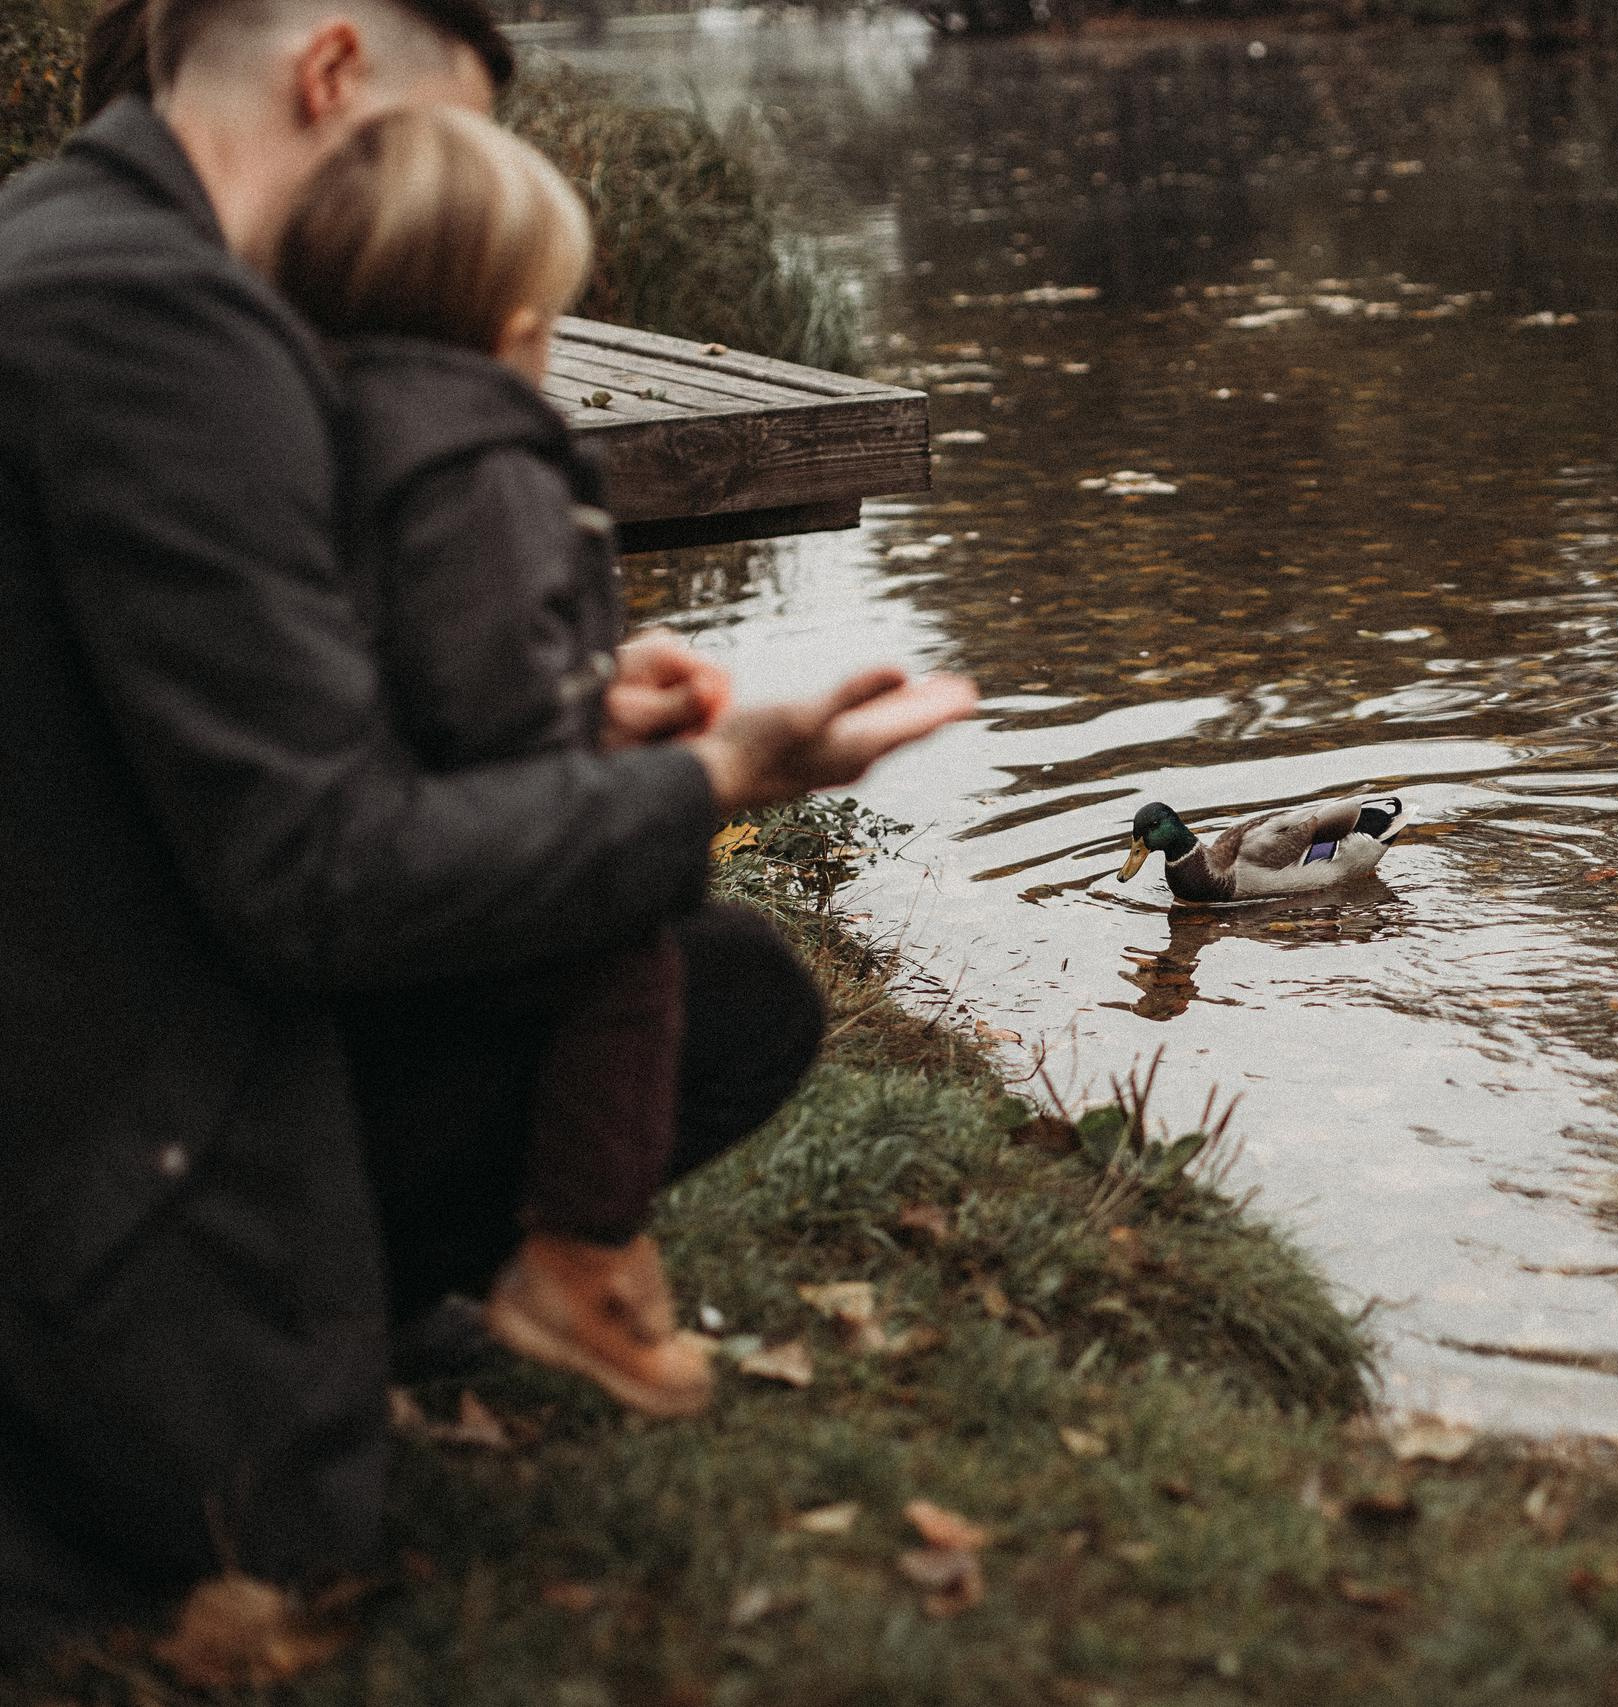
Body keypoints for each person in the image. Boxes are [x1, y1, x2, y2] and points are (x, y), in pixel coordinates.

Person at [0, 0, 974, 1646]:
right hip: (88, 1141)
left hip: (95, 977)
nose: (442, 202)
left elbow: (151, 723)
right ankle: (247, 1356)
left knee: (711, 974)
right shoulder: (159, 325)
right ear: (328, 77)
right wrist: (713, 779)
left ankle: (375, 1285)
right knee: (703, 988)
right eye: (430, 144)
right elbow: (315, 881)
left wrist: (564, 724)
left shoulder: (61, 237)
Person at [272, 103, 731, 1419]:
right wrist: (605, 750)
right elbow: (497, 709)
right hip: (442, 886)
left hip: (355, 863)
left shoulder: (314, 426)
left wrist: (584, 702)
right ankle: (581, 1251)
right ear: (516, 327)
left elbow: (409, 668)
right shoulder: (480, 465)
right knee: (631, 951)